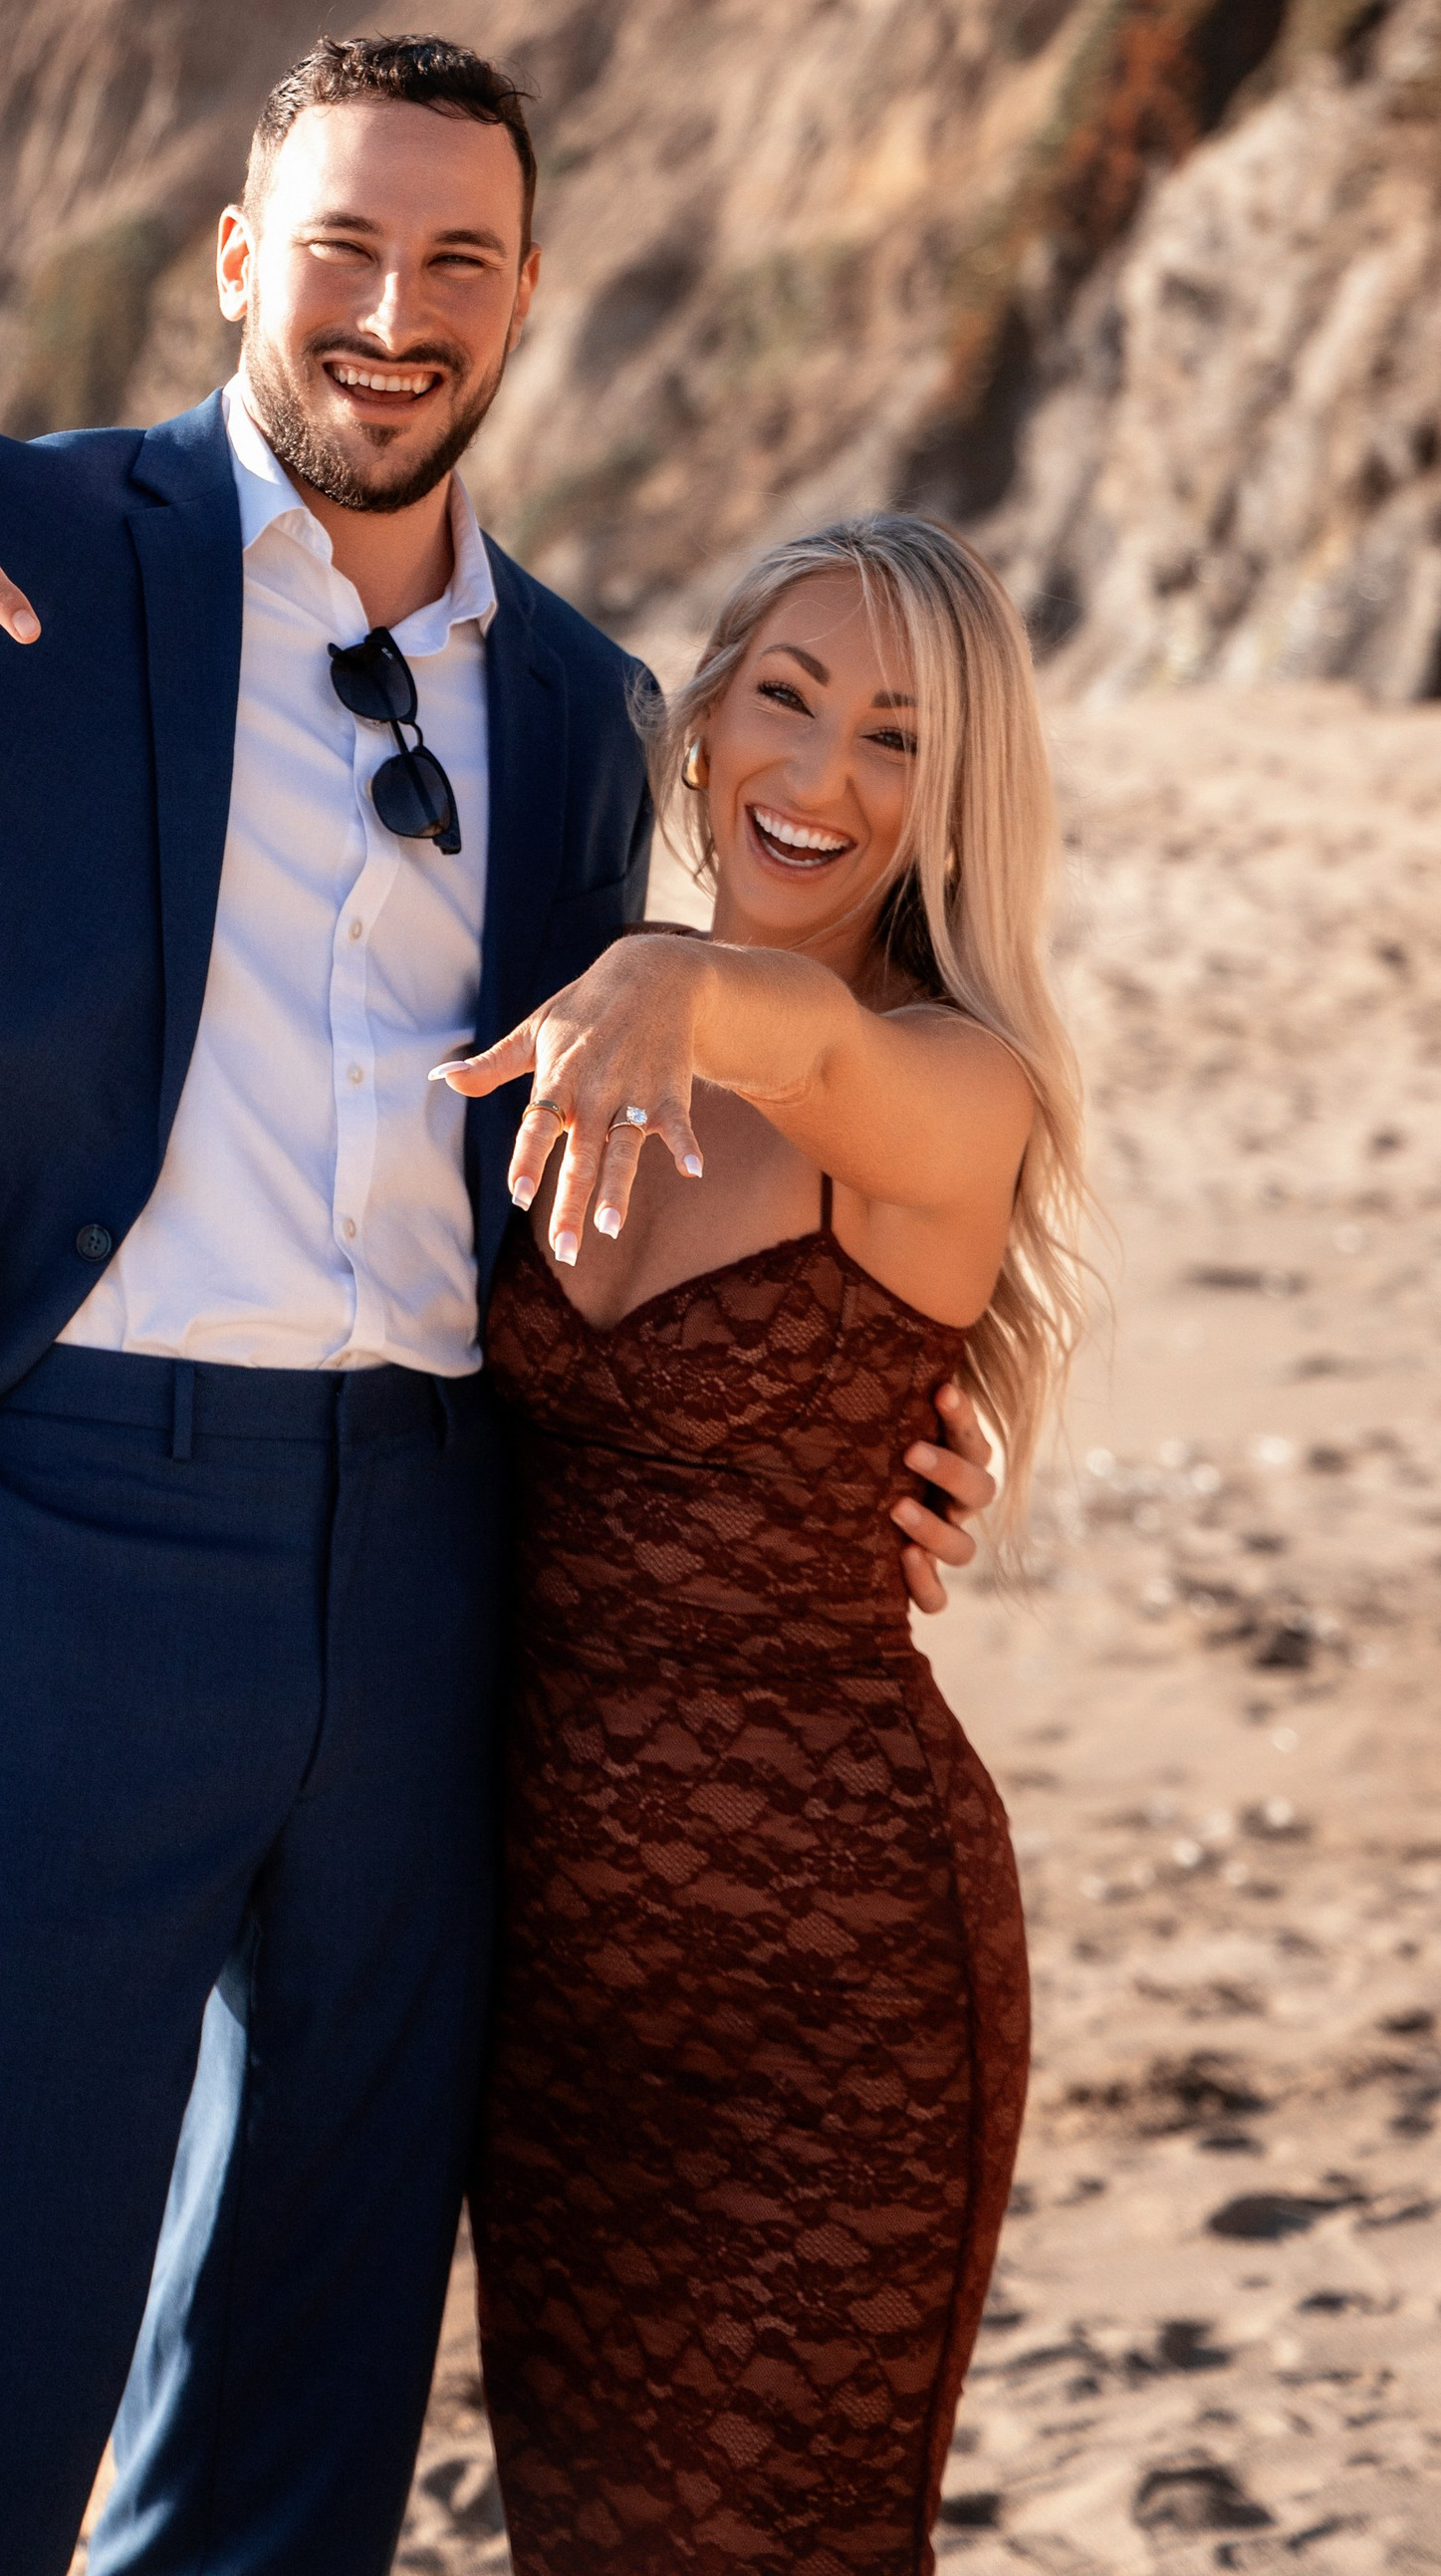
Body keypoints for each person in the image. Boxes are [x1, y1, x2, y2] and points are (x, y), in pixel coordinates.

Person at [0, 35, 996, 2576]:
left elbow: (799, 1121)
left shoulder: (590, 717)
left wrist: (882, 1437)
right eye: (342, 246)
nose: (395, 310)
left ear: (523, 301)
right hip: (52, 1563)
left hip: (429, 1611)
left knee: (294, 2437)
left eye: (456, 261)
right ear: (240, 261)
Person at [439, 514, 1088, 2574]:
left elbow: (803, 1049)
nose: (813, 780)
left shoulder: (944, 1083)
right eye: (782, 700)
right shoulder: (569, 1045)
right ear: (700, 713)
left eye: (891, 742)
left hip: (833, 1980)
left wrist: (663, 971)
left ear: (952, 802)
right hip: (545, 1985)